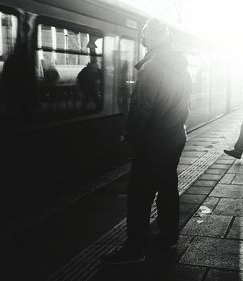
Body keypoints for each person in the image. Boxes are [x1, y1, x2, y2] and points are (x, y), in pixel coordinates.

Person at [101, 18, 191, 265]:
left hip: (154, 142)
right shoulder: (180, 67)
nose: (142, 41)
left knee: (139, 196)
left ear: (149, 39)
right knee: (168, 188)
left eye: (144, 36)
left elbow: (141, 110)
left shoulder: (151, 68)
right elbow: (184, 106)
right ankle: (169, 235)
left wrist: (131, 137)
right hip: (174, 138)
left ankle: (134, 249)